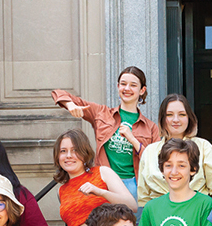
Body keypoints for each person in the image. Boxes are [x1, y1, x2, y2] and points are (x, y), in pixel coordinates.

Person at [51, 66, 161, 197]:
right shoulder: (101, 113)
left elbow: (155, 162)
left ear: (142, 90)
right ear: (118, 86)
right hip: (104, 184)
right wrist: (70, 105)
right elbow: (57, 93)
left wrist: (133, 140)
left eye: (133, 85)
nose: (127, 89)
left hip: (136, 186)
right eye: (123, 84)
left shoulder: (151, 127)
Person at [50, 129, 137, 226]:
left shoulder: (102, 173)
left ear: (84, 153)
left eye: (75, 150)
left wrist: (99, 191)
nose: (69, 155)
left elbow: (132, 205)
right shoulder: (61, 190)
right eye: (63, 151)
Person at [136, 94, 212, 204]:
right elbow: (143, 198)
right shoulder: (149, 152)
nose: (176, 120)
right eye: (169, 115)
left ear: (189, 118)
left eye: (182, 114)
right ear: (162, 119)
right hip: (159, 216)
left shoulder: (204, 147)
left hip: (196, 214)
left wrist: (210, 219)